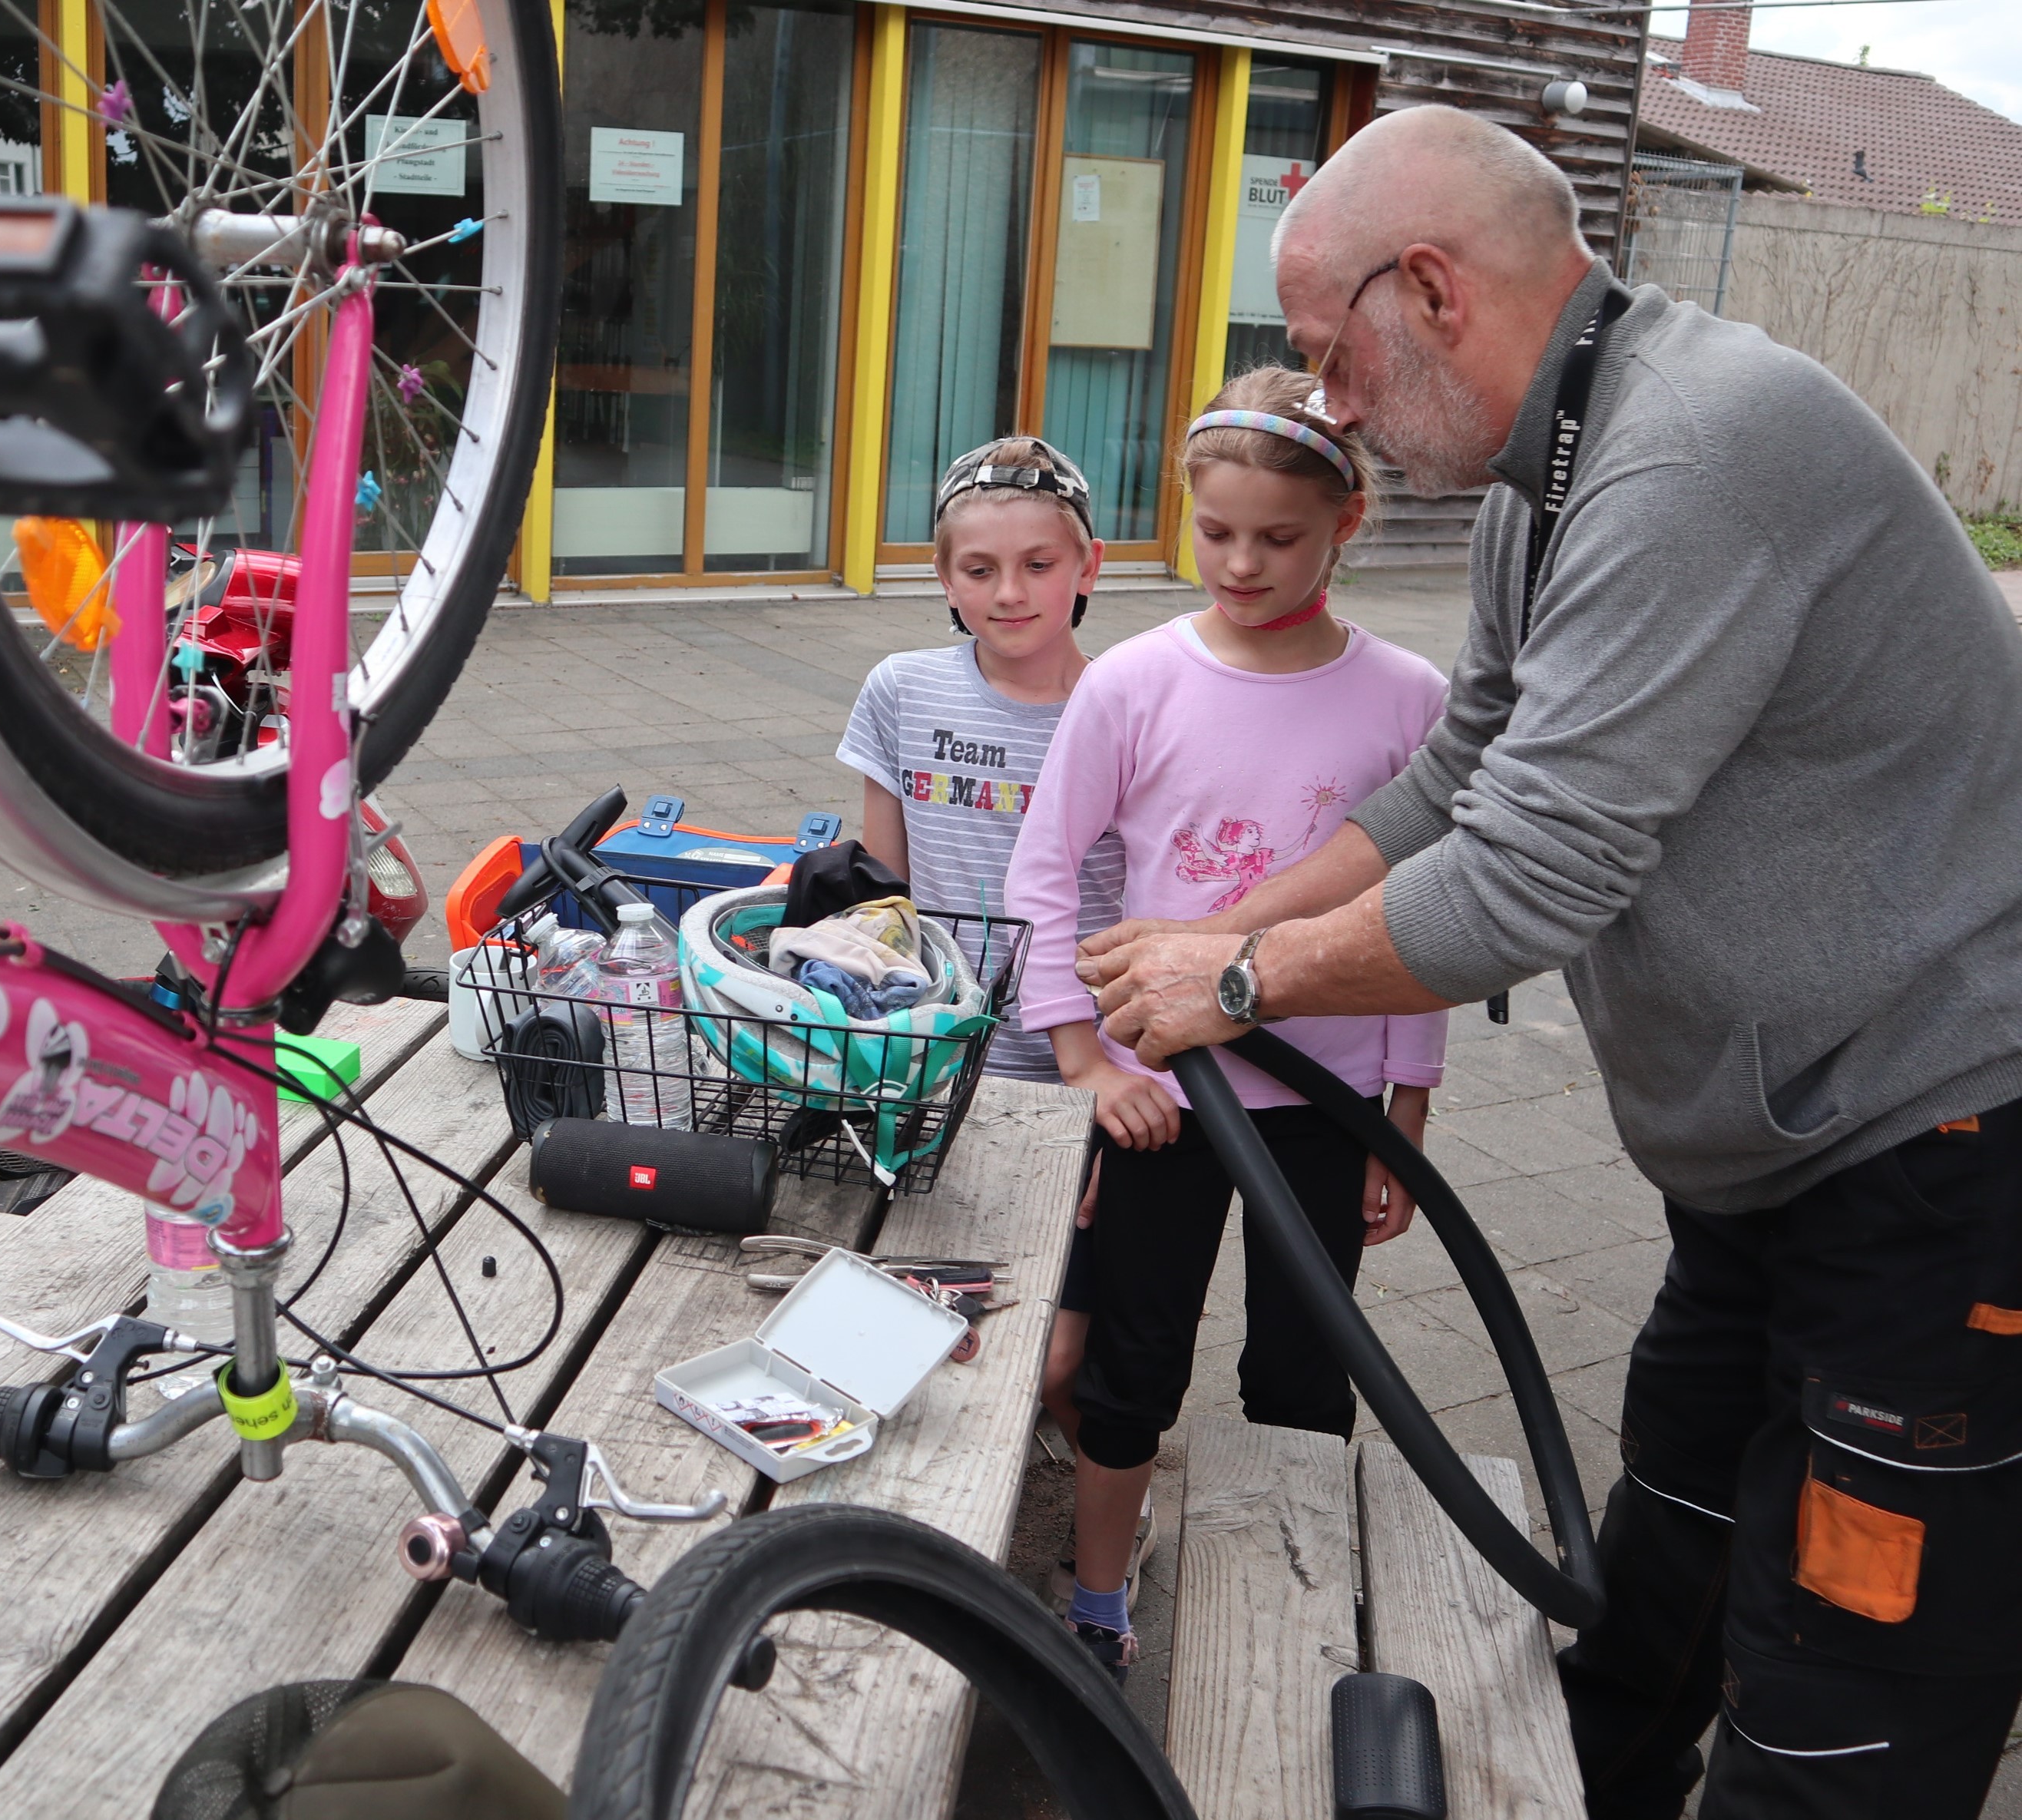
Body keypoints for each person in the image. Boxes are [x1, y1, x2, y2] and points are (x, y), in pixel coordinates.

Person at [1079, 103, 2022, 1817]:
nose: (1329, 407)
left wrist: (1234, 989)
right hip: (1767, 1151)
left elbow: (1526, 880)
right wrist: (1236, 923)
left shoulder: (1693, 456)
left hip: (1939, 1144)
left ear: (1430, 290)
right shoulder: (1553, 472)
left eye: (1328, 354)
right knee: (1667, 1548)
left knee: (1849, 1663)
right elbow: (1460, 776)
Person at [1006, 364, 1449, 1683]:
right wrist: (1086, 1058)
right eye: (1216, 532)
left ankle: (1284, 1599)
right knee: (1131, 1361)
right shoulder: (1133, 682)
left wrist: (1403, 1114)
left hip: (1325, 1105)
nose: (1242, 562)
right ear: (1181, 514)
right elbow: (1044, 868)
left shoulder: (1406, 697)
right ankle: (1097, 1593)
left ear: (1345, 525)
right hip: (1162, 1100)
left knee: (1304, 1372)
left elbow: (1419, 912)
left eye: (1279, 536)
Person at [836, 436, 1139, 1583]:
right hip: (939, 1066)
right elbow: (882, 889)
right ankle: (955, 1520)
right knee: (940, 1319)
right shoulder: (901, 692)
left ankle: (1098, 1493)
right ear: (942, 572)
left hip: (1079, 1073)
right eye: (976, 568)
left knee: (1060, 1353)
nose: (1006, 593)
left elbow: (1147, 900)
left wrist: (1120, 1083)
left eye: (1034, 564)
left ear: (1087, 566)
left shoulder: (1130, 700)